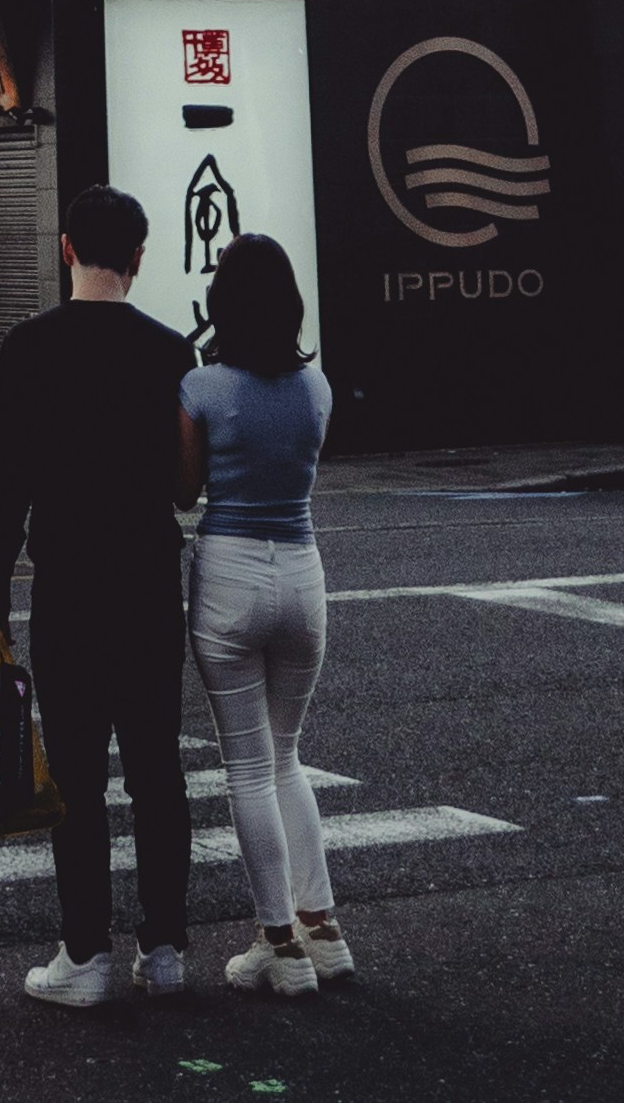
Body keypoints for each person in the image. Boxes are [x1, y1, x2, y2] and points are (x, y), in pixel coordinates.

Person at [0, 182, 195, 1010]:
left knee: (76, 772)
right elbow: (181, 490)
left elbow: (8, 482)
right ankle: (167, 947)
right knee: (155, 769)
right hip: (146, 579)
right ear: (139, 256)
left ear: (65, 248)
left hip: (67, 583)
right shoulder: (171, 351)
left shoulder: (28, 348)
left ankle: (85, 954)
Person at [179, 233, 346, 994]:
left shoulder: (202, 388)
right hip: (303, 574)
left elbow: (184, 490)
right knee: (289, 758)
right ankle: (325, 933)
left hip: (230, 572)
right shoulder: (317, 390)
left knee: (247, 766)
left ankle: (277, 945)